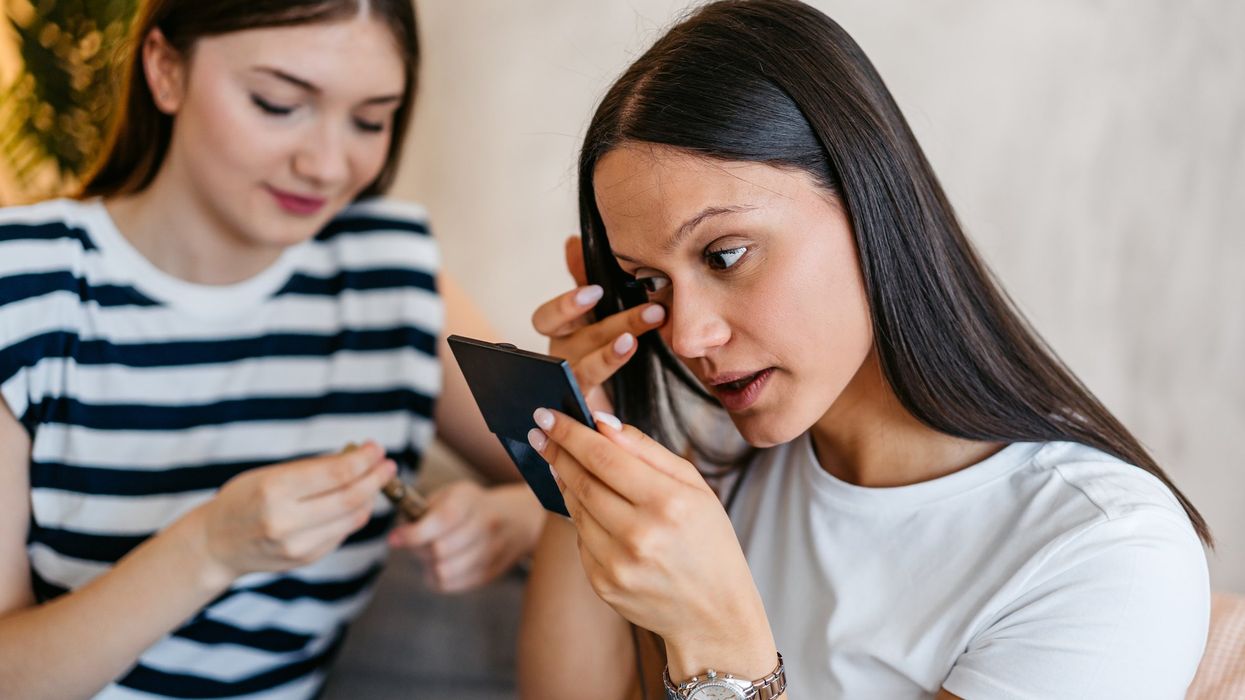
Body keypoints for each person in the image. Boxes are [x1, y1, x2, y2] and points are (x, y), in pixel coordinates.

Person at [517, 1, 1212, 698]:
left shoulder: (1097, 552)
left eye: (725, 255)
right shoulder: (729, 469)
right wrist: (581, 439)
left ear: (867, 201)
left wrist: (722, 645)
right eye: (648, 281)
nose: (687, 336)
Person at [0, 1, 544, 697]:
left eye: (370, 120)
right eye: (277, 103)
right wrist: (210, 549)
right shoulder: (25, 287)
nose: (324, 165)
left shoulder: (389, 276)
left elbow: (585, 489)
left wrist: (517, 522)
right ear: (166, 70)